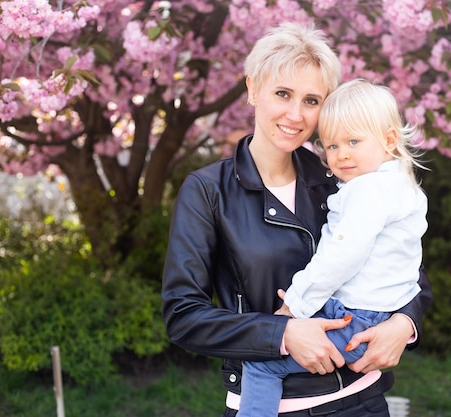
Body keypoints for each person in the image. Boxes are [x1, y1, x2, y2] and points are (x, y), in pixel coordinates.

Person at [161, 22, 434, 417]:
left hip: (362, 402)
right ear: (253, 89)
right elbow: (184, 316)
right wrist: (282, 333)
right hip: (267, 407)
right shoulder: (208, 191)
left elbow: (404, 262)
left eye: (311, 100)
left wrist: (405, 325)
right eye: (283, 94)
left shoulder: (343, 179)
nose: (295, 114)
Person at [236, 78, 428, 417]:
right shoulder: (401, 186)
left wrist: (294, 306)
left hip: (355, 318)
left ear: (389, 139)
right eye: (332, 146)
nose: (341, 155)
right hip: (374, 314)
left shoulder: (367, 191)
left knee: (261, 361)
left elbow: (342, 256)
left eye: (353, 141)